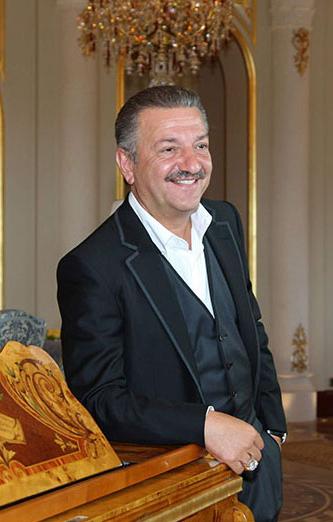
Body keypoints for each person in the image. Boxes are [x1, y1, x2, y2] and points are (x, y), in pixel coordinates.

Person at [56, 85, 286, 521]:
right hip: (175, 487)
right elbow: (100, 400)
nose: (191, 164)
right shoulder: (92, 266)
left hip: (259, 469)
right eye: (168, 149)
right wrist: (205, 424)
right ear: (127, 164)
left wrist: (274, 431)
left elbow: (251, 330)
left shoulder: (226, 223)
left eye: (200, 145)